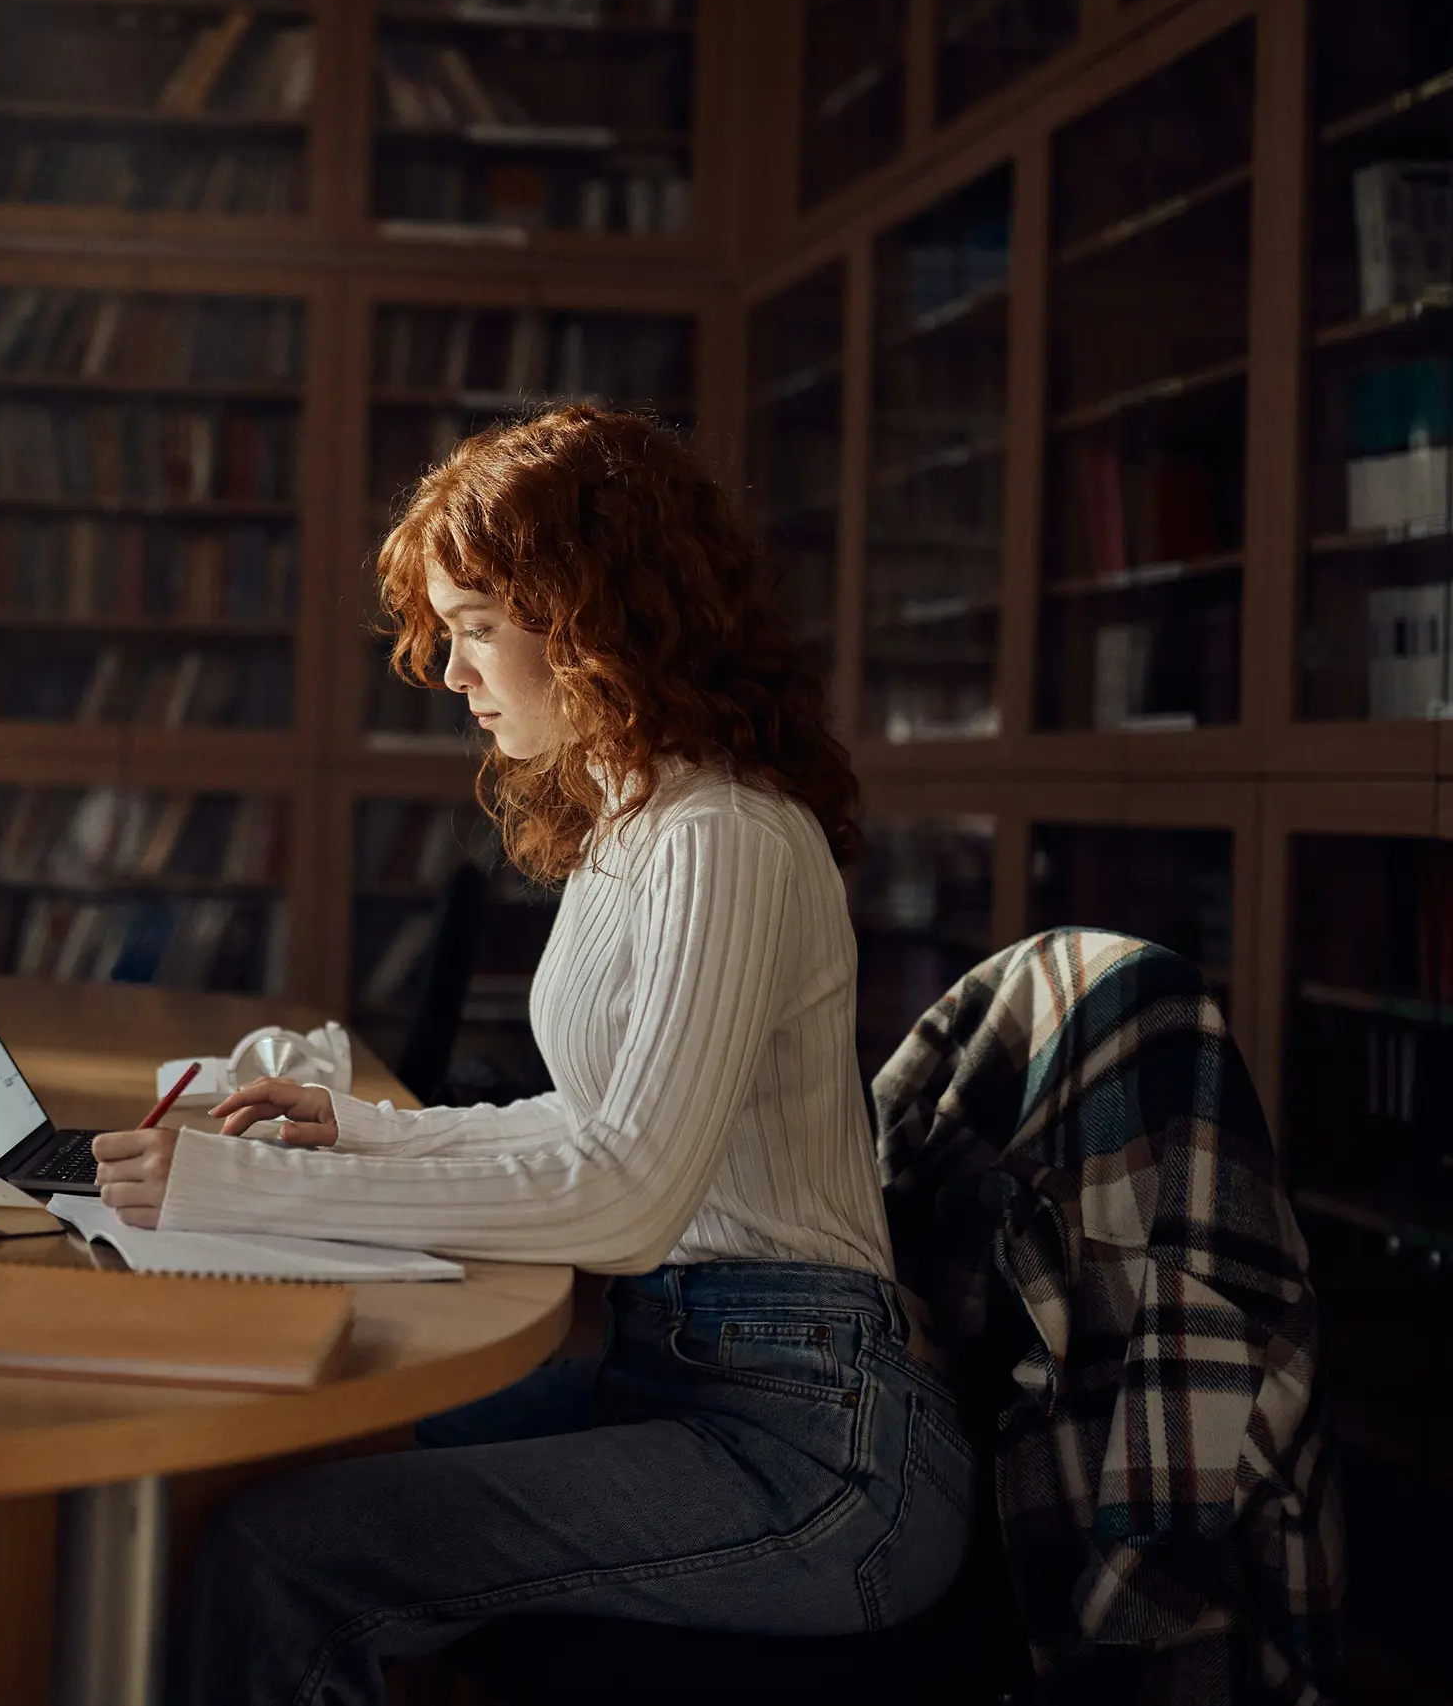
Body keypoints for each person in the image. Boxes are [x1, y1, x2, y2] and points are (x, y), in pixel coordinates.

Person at [90, 406, 973, 1706]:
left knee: (289, 1553)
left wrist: (252, 1188)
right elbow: (592, 1120)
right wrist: (359, 1133)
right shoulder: (640, 823)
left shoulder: (724, 833)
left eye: (476, 626)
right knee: (283, 1458)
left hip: (820, 1450)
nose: (450, 672)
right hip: (692, 1374)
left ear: (592, 619)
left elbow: (627, 1193)